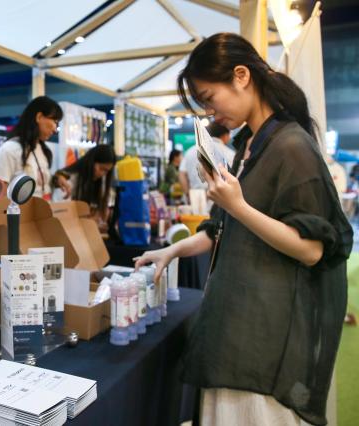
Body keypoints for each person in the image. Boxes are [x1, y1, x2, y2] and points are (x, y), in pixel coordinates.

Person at [135, 33, 352, 426]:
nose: (211, 112)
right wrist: (172, 251)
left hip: (265, 338)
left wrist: (236, 204)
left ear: (241, 76)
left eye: (209, 98)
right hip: (235, 323)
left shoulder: (292, 147)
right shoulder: (250, 145)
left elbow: (312, 249)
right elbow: (222, 229)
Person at [0, 96, 63, 199]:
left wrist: (56, 180)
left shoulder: (42, 149)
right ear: (39, 117)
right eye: (55, 121)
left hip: (42, 212)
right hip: (19, 214)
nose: (55, 129)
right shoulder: (10, 149)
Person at [53, 144, 116, 229]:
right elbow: (61, 213)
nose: (102, 174)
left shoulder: (101, 181)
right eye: (101, 168)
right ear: (91, 161)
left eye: (106, 171)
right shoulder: (70, 179)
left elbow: (101, 215)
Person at [179, 121, 235, 198]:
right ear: (225, 135)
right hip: (221, 201)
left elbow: (182, 174)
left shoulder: (190, 151)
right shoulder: (231, 154)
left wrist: (188, 195)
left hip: (196, 199)